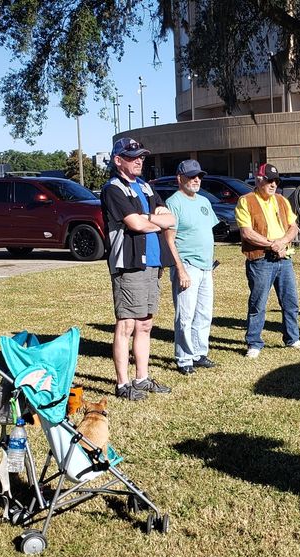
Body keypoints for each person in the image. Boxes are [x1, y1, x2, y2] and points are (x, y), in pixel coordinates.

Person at [101, 138, 176, 400]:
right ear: (118, 160)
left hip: (152, 263)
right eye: (132, 156)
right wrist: (152, 221)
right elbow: (135, 224)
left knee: (145, 324)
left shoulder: (145, 186)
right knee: (126, 325)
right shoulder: (113, 189)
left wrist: (149, 219)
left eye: (141, 156)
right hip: (129, 264)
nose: (139, 160)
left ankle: (141, 379)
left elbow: (171, 218)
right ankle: (123, 384)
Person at [238, 163, 300, 357]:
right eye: (269, 180)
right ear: (259, 179)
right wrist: (273, 244)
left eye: (276, 181)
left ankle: (292, 338)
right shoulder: (246, 201)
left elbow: (293, 227)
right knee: (258, 303)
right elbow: (247, 233)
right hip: (260, 259)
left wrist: (283, 242)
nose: (273, 184)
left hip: (284, 258)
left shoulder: (281, 200)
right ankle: (254, 343)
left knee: (290, 301)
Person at [163, 159, 218, 376]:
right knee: (185, 315)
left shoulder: (204, 201)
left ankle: (199, 353)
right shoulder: (173, 203)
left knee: (204, 312)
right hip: (187, 265)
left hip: (206, 267)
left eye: (199, 176)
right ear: (180, 178)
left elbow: (206, 233)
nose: (196, 180)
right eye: (192, 176)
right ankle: (184, 358)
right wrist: (180, 269)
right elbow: (169, 240)